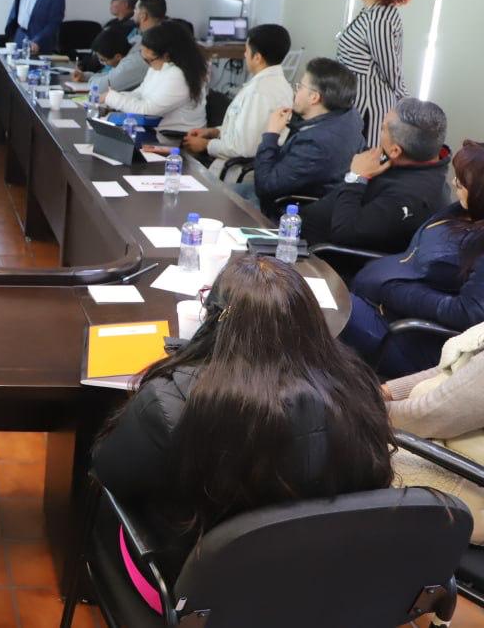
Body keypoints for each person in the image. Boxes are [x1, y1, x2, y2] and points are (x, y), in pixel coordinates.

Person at [92, 255, 392, 610]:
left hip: (197, 598)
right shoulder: (358, 386)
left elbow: (109, 471)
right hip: (317, 590)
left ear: (214, 318)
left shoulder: (170, 402)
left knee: (101, 508)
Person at [340, 142, 484, 378]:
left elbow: (467, 313)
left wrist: (393, 290)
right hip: (383, 303)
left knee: (316, 310)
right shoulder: (464, 212)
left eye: (462, 182)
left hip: (408, 335)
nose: (453, 182)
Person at [301, 98, 451, 254]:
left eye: (382, 129)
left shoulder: (410, 199)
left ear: (395, 150)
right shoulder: (415, 160)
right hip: (302, 226)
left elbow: (345, 233)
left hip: (318, 254)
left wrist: (356, 177)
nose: (380, 134)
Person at [385, 319, 484, 545]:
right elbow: (456, 368)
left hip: (471, 481)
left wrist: (359, 408)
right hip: (442, 437)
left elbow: (427, 415)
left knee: (345, 452)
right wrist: (387, 392)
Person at [243, 58, 364, 209]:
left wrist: (271, 134)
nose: (295, 91)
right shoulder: (349, 115)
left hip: (285, 208)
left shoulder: (315, 144)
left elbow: (264, 187)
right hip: (298, 189)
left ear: (314, 97)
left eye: (299, 87)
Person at [184, 24, 294, 174]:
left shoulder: (258, 92)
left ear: (257, 57)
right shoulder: (280, 84)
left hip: (236, 172)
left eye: (246, 50)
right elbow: (249, 131)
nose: (244, 55)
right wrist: (214, 132)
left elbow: (242, 148)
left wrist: (206, 145)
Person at [337, 0, 415, 148]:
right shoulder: (370, 13)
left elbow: (390, 68)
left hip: (369, 106)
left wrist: (406, 103)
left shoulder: (379, 19)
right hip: (355, 99)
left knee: (364, 158)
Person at [103, 20, 207, 134]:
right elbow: (141, 93)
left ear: (166, 56)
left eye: (149, 60)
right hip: (157, 129)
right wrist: (113, 98)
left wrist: (111, 98)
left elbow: (147, 111)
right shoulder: (160, 66)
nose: (148, 64)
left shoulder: (179, 75)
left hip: (177, 135)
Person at [71, 0, 165, 90]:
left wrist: (91, 79)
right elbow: (116, 74)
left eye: (135, 9)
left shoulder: (147, 49)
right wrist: (86, 76)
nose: (133, 13)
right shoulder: (140, 40)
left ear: (143, 16)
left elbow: (104, 86)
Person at [78, 25, 132, 91]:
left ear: (118, 57)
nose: (102, 63)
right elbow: (108, 75)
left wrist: (91, 79)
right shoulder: (120, 61)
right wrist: (84, 76)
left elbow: (100, 87)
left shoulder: (129, 67)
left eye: (103, 60)